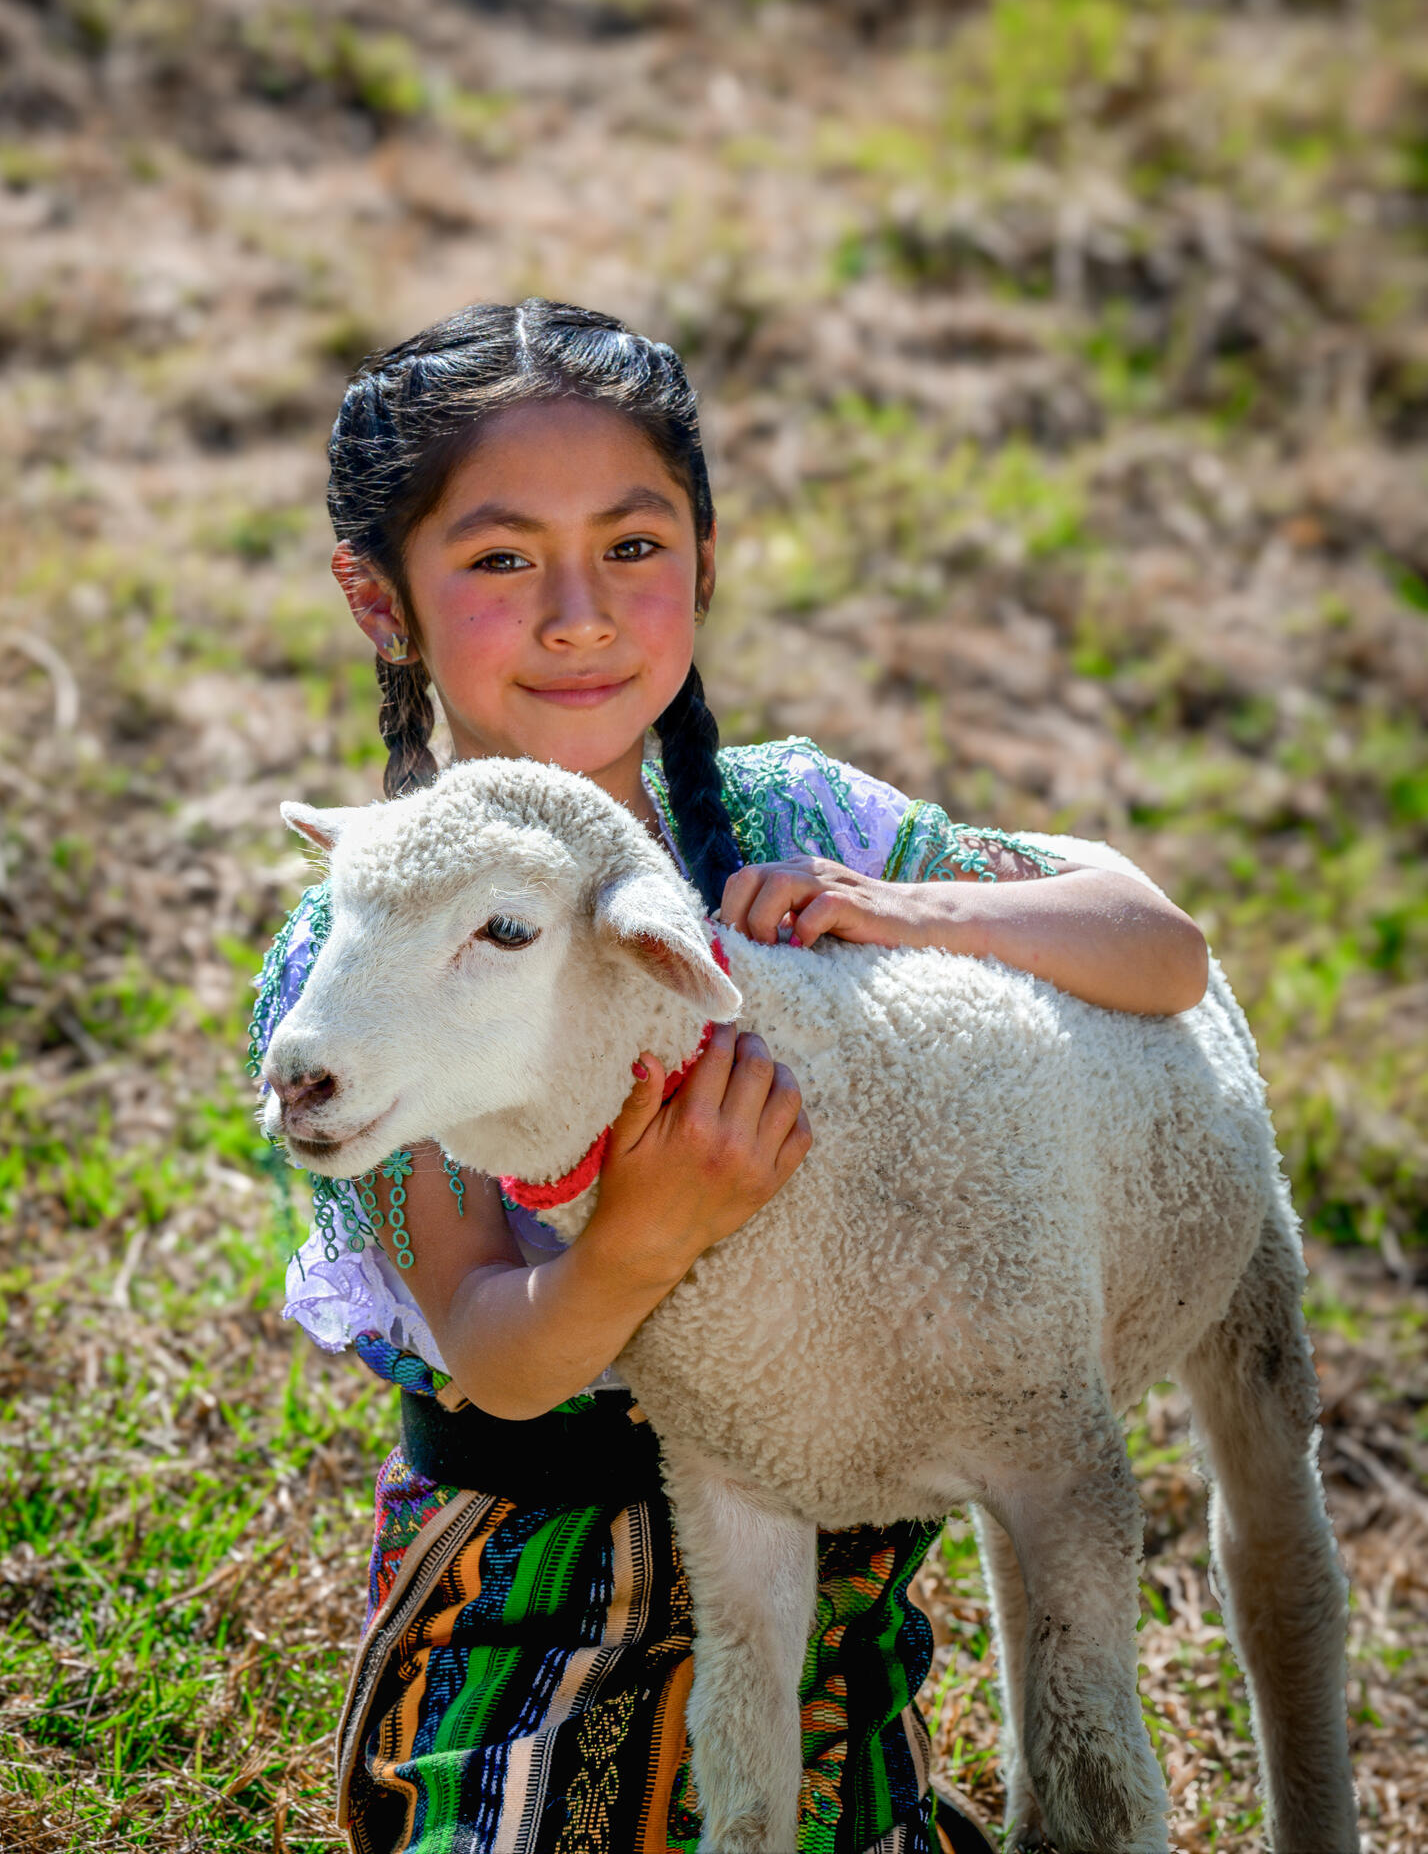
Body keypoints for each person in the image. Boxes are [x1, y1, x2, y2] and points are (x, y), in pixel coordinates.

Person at [248, 298, 1209, 1854]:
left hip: (835, 1586)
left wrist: (904, 908)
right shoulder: (368, 963)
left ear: (706, 557)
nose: (580, 613)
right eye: (500, 560)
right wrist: (651, 1224)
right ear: (380, 600)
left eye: (634, 545)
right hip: (543, 1606)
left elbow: (1161, 953)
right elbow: (503, 1359)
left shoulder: (799, 823)